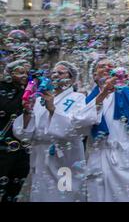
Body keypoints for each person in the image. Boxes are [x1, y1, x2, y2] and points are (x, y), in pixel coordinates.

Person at [75, 56, 129, 202]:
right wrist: (102, 94)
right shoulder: (86, 98)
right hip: (100, 159)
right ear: (94, 75)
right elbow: (80, 124)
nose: (107, 68)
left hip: (128, 159)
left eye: (111, 66)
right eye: (102, 66)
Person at [13, 61, 91, 202]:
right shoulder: (39, 99)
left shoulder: (78, 98)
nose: (55, 75)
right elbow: (25, 134)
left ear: (72, 79)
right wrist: (27, 111)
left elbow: (75, 129)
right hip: (41, 155)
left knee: (65, 193)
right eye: (53, 73)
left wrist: (52, 108)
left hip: (65, 157)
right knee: (41, 195)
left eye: (60, 73)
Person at [0, 60, 31, 202]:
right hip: (4, 147)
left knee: (15, 187)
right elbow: (9, 109)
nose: (25, 75)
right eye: (20, 72)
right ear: (9, 74)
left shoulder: (30, 91)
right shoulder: (3, 88)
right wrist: (25, 92)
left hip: (22, 146)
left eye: (26, 73)